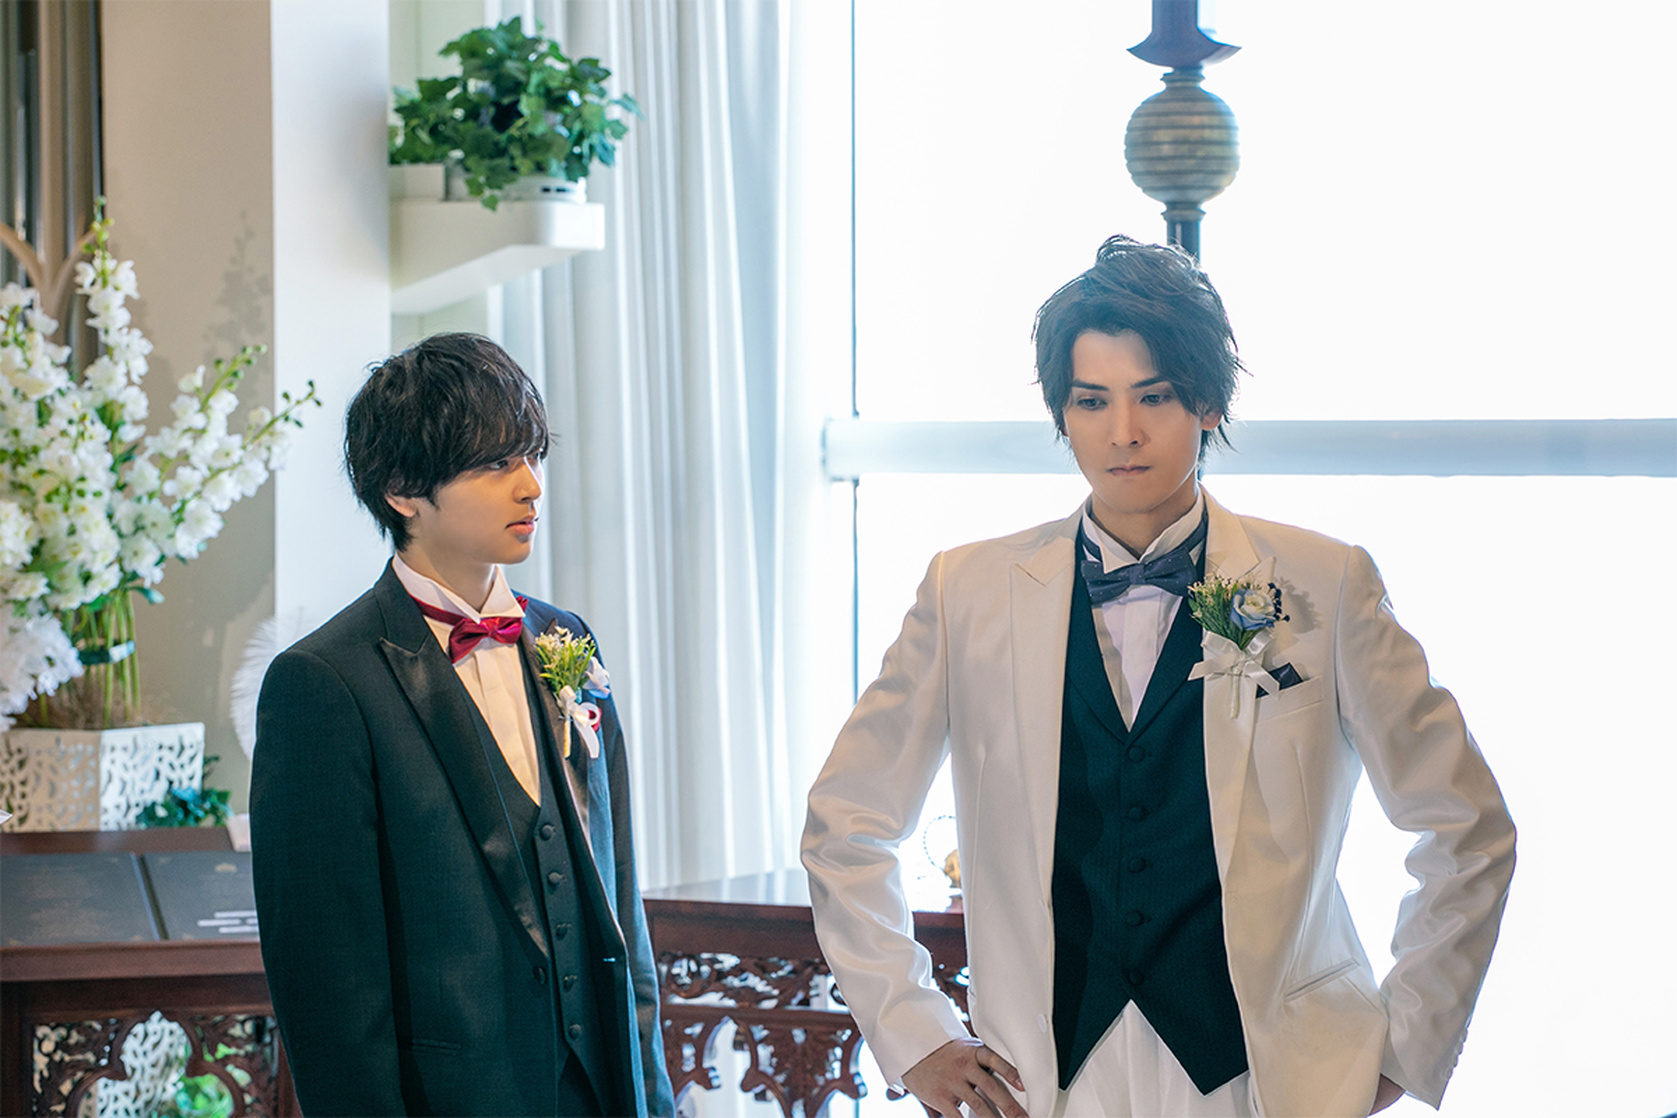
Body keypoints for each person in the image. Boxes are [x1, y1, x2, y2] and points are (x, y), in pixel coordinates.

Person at [801, 236, 1515, 1118]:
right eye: (1090, 401)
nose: (1122, 433)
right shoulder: (966, 591)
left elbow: (1467, 829)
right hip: (1041, 1078)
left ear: (1207, 402)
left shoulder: (1322, 584)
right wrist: (915, 1035)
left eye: (1154, 396)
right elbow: (845, 825)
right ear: (1061, 413)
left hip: (1265, 1079)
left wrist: (1403, 1046)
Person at [251, 333, 674, 1117]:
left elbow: (620, 906)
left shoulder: (566, 641)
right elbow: (329, 990)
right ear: (403, 491)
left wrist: (651, 1097)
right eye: (495, 463)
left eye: (532, 456)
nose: (531, 487)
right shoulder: (323, 683)